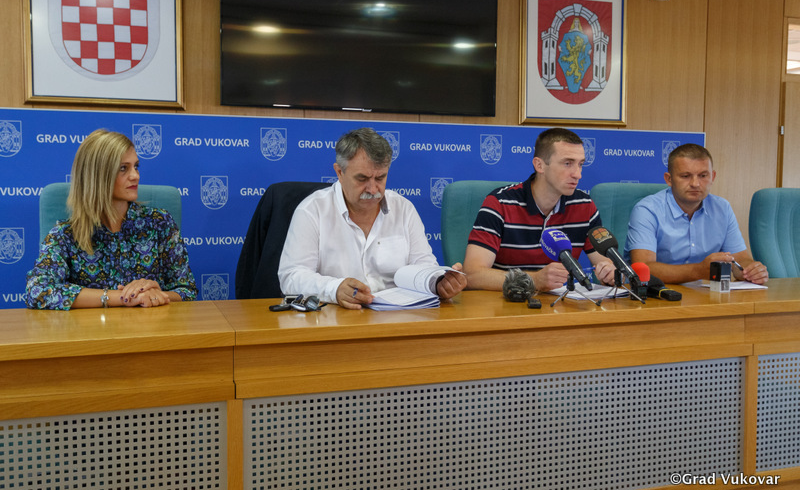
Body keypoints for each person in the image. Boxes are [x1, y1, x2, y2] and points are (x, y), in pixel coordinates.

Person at [278, 127, 466, 309]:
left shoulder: (404, 209)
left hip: (398, 318)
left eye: (380, 178)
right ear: (339, 172)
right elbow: (291, 276)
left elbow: (424, 267)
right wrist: (334, 289)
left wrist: (438, 284)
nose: (373, 189)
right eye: (362, 179)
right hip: (336, 318)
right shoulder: (312, 210)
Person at [26, 129, 197, 310]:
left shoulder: (160, 222)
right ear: (97, 175)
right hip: (92, 328)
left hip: (151, 327)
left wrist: (156, 295)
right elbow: (37, 292)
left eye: (136, 166)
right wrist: (122, 297)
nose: (135, 176)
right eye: (123, 168)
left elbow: (187, 290)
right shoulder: (65, 235)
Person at [464, 127, 615, 292]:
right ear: (539, 165)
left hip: (561, 304)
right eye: (567, 163)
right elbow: (472, 275)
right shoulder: (500, 203)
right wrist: (534, 280)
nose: (578, 174)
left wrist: (609, 272)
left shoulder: (584, 205)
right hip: (508, 302)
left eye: (580, 164)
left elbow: (603, 262)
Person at [624, 143, 768, 285]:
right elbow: (643, 268)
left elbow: (740, 259)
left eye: (703, 176)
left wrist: (751, 271)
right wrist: (698, 271)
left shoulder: (722, 208)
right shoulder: (647, 210)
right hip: (657, 293)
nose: (695, 183)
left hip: (703, 294)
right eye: (686, 176)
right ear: (669, 179)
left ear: (713, 177)